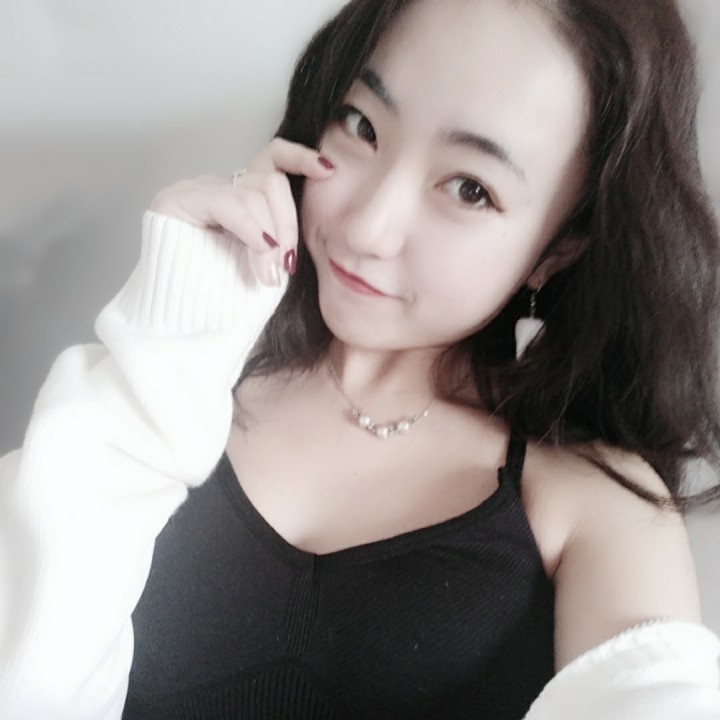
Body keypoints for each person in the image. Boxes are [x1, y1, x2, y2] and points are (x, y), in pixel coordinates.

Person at [2, 0, 720, 717]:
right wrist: (174, 329)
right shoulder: (167, 398)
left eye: (470, 189)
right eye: (363, 126)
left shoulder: (594, 511)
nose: (368, 227)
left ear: (558, 248)